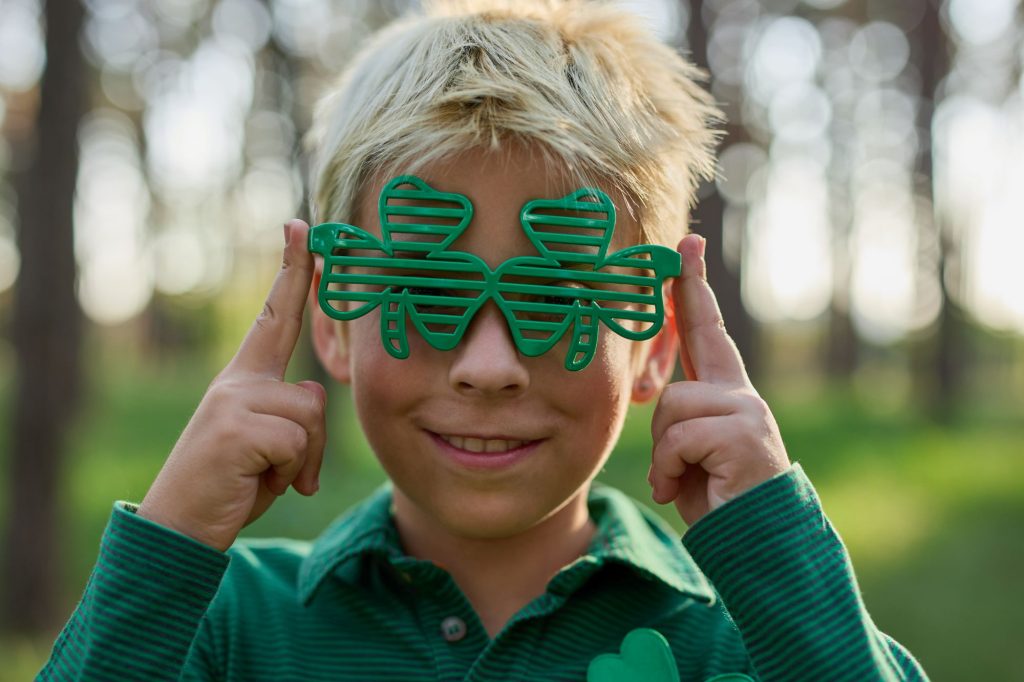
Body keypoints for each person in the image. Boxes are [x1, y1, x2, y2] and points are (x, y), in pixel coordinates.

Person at [39, 1, 929, 680]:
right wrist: (170, 540)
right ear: (335, 326)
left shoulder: (749, 638)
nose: (489, 366)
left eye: (559, 300)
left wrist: (778, 554)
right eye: (428, 292)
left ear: (656, 346)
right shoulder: (226, 628)